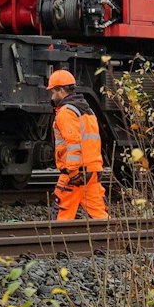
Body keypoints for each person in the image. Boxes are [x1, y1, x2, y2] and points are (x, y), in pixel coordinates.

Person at [48, 68, 107, 221]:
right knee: (100, 216)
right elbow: (93, 141)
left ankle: (61, 243)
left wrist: (73, 173)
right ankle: (110, 242)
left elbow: (73, 143)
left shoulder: (66, 113)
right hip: (92, 170)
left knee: (62, 216)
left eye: (53, 92)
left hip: (76, 174)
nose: (51, 96)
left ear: (61, 91)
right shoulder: (87, 110)